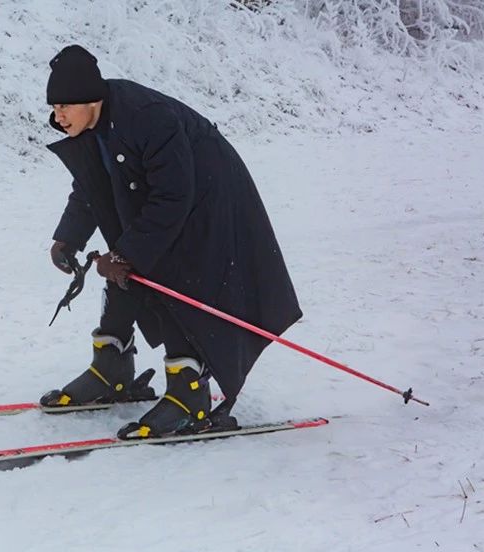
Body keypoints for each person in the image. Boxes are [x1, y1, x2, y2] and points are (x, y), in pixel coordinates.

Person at [39, 45, 302, 440]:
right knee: (128, 264)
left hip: (211, 199)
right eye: (54, 107)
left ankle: (188, 393)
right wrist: (68, 238)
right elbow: (92, 186)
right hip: (172, 198)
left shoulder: (147, 118)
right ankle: (111, 367)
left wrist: (126, 254)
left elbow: (175, 196)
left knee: (170, 275)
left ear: (90, 100)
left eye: (63, 107)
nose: (56, 117)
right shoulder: (93, 125)